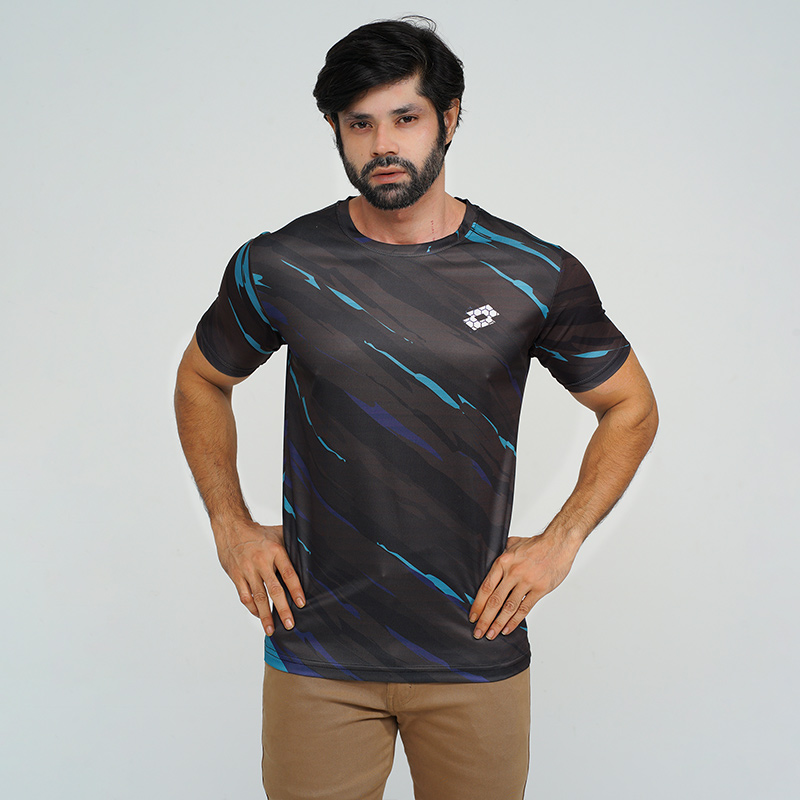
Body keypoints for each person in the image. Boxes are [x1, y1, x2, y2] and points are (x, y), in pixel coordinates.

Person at [174, 16, 658, 800]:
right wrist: (230, 526)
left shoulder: (532, 272)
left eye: (406, 117)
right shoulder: (282, 264)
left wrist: (560, 543)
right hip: (319, 652)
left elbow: (630, 405)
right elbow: (200, 379)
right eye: (359, 124)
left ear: (450, 117)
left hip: (473, 649)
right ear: (335, 129)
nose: (383, 145)